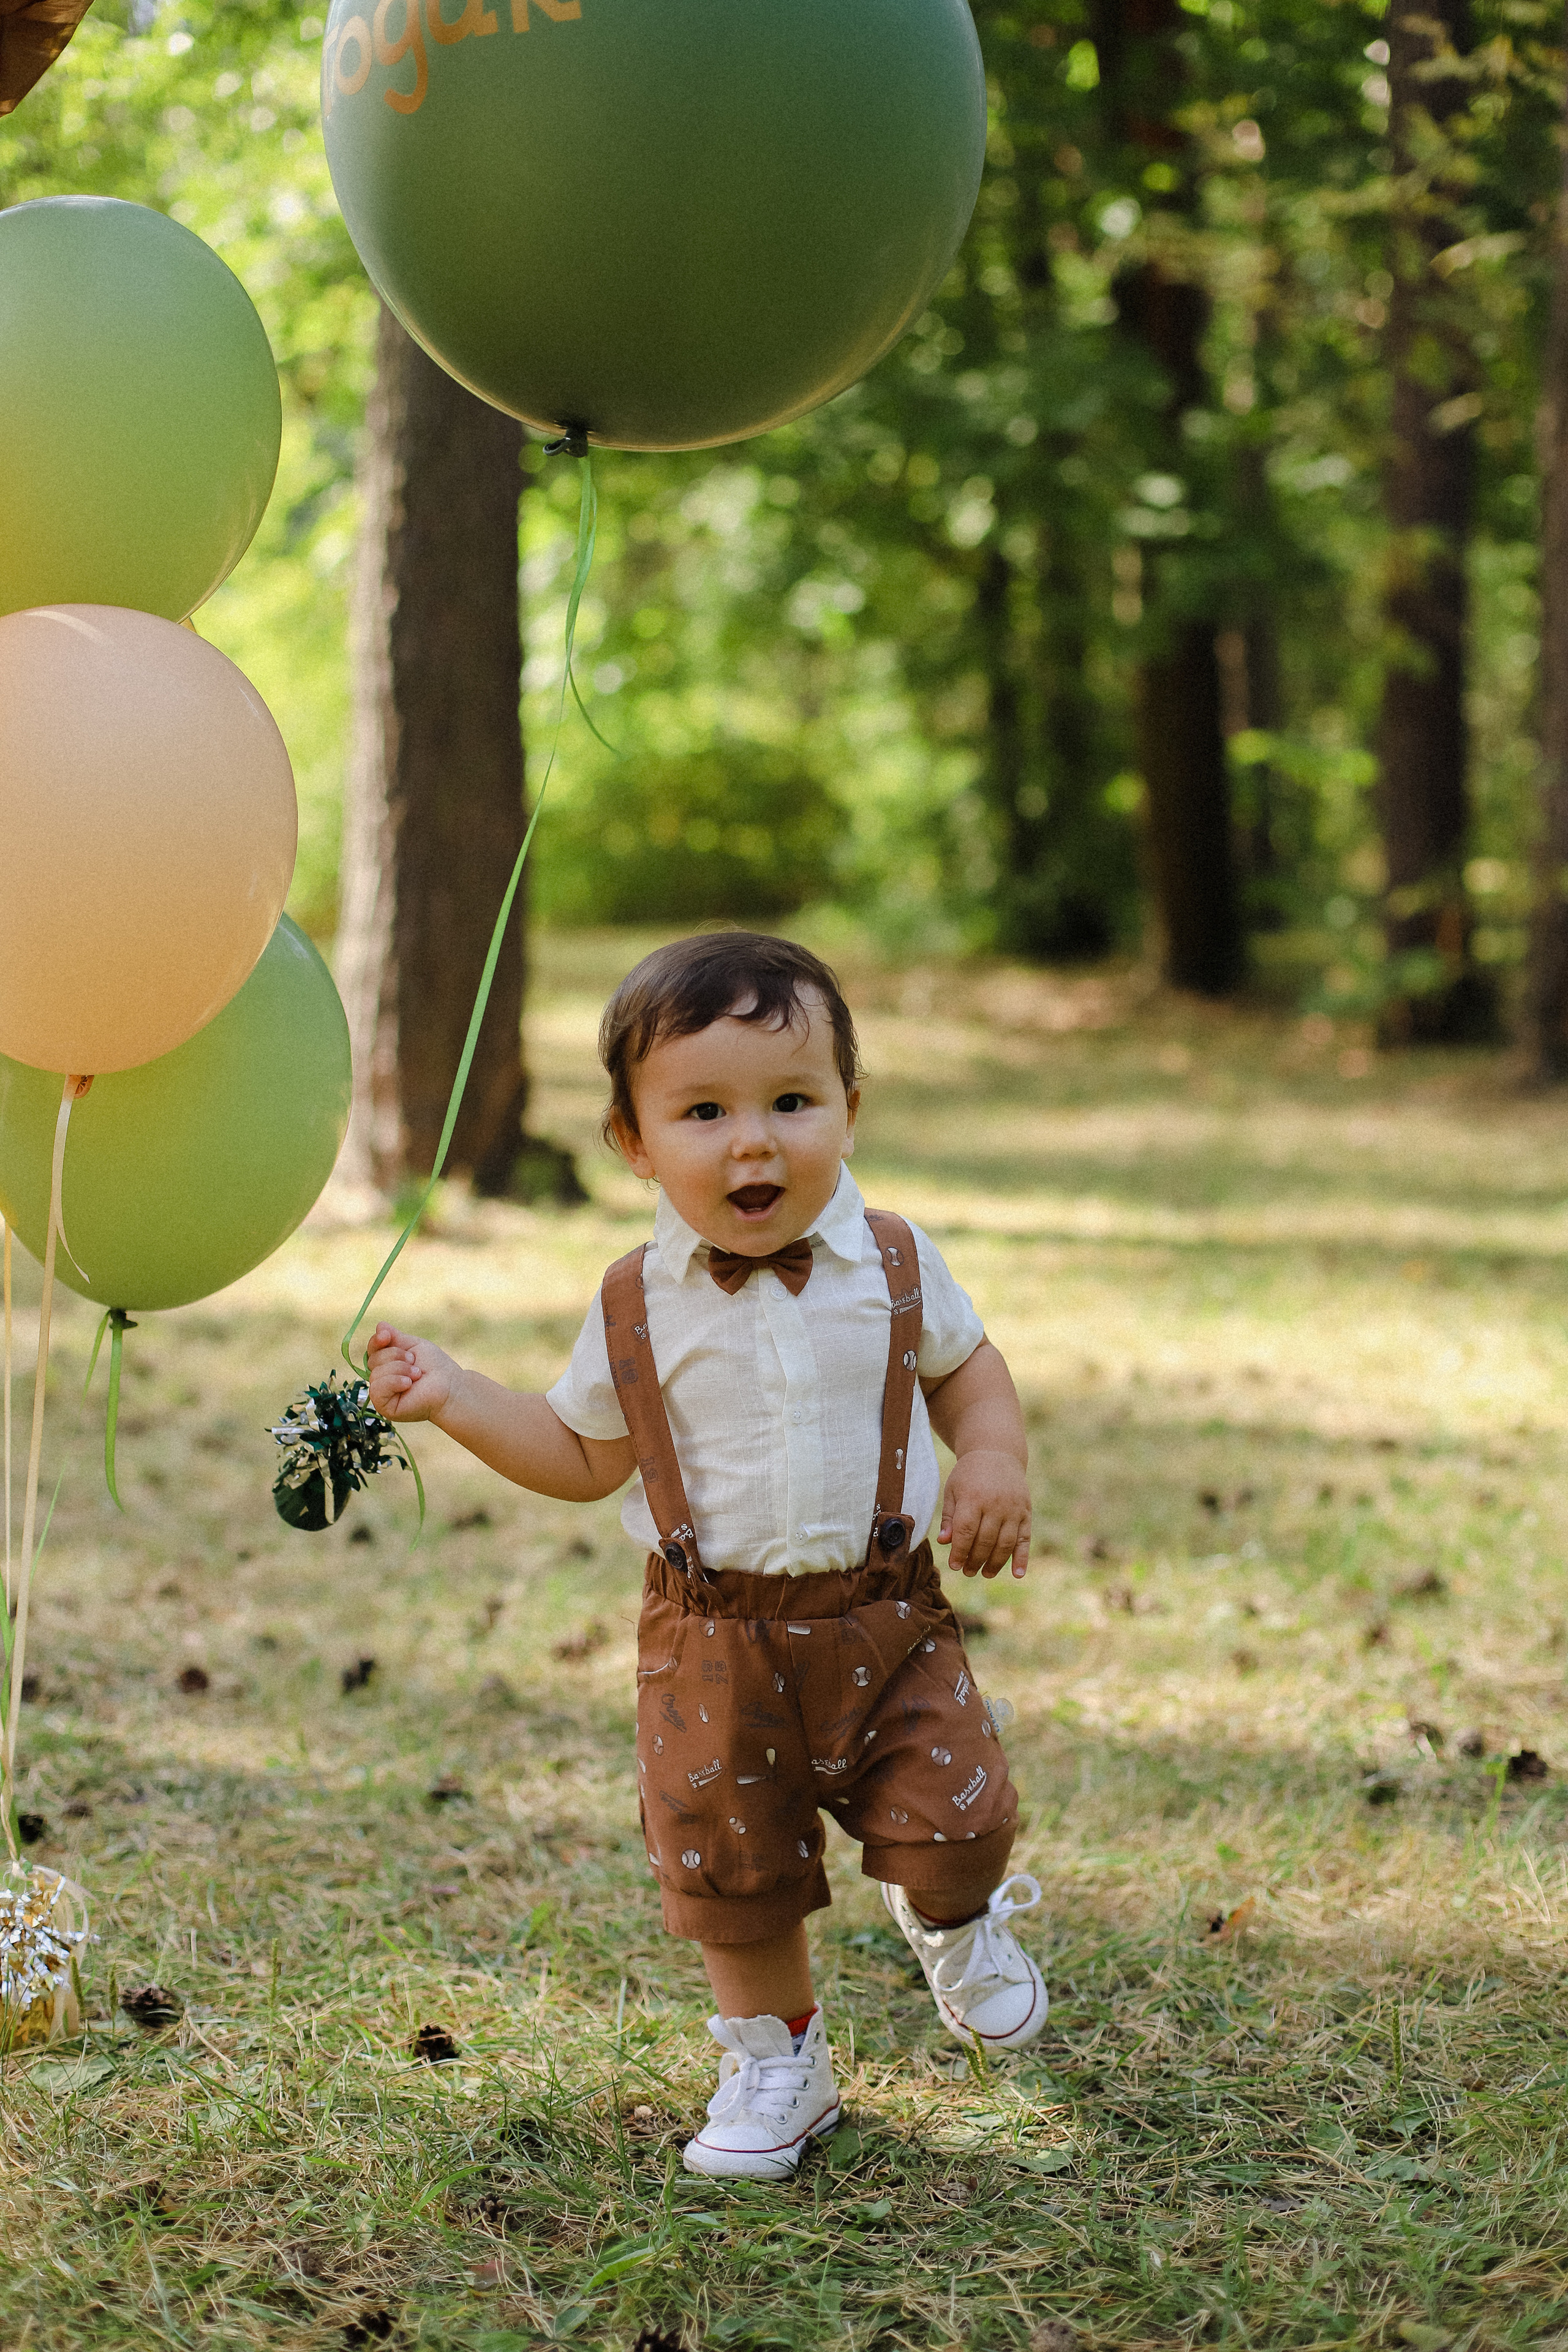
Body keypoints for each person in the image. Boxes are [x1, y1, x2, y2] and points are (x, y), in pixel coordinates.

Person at [367, 932, 1046, 2180]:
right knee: (731, 1870)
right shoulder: (635, 1302)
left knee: (955, 1818)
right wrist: (457, 1395)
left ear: (850, 1109)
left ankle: (953, 1920)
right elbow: (579, 1456)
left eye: (793, 1101)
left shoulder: (894, 1260)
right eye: (703, 1110)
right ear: (632, 1143)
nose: (755, 1141)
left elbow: (965, 1371)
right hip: (709, 1640)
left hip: (885, 1614)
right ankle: (778, 2063)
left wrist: (990, 1458)